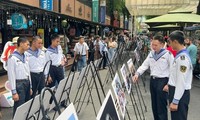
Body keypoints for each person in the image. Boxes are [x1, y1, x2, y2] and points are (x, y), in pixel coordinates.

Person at [132, 34, 174, 120]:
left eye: (156, 45)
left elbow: (173, 70)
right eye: (152, 44)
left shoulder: (168, 54)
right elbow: (145, 65)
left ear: (162, 44)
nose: (153, 47)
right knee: (154, 105)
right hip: (153, 81)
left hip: (163, 81)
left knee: (161, 106)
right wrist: (137, 74)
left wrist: (169, 84)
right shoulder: (151, 54)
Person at [167, 31, 192, 120]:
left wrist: (175, 101)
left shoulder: (182, 58)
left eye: (170, 42)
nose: (169, 45)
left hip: (179, 93)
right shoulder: (180, 55)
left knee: (179, 117)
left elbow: (181, 80)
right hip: (177, 91)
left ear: (175, 42)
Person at [7, 37, 32, 116]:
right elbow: (11, 75)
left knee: (27, 104)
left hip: (27, 82)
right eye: (27, 44)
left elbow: (28, 71)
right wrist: (14, 92)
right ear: (21, 44)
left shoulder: (26, 56)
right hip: (19, 84)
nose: (29, 46)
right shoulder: (12, 58)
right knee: (19, 107)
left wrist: (30, 86)